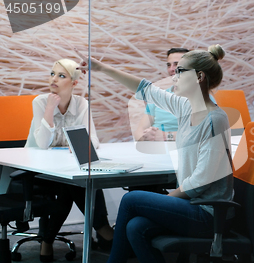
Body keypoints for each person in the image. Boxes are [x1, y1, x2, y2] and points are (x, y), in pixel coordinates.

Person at [77, 44, 233, 263]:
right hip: (192, 204)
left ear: (199, 77)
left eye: (180, 71)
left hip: (208, 213)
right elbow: (146, 89)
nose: (174, 76)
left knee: (131, 199)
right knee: (135, 227)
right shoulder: (186, 107)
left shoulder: (214, 119)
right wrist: (101, 68)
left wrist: (168, 198)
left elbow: (201, 181)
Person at [25, 59, 115, 262]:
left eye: (61, 76)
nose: (54, 79)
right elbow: (41, 144)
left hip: (66, 167)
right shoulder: (40, 102)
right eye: (52, 74)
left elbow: (93, 141)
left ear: (74, 83)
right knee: (71, 185)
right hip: (38, 169)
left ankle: (47, 240)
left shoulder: (82, 104)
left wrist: (77, 145)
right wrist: (50, 108)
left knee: (85, 179)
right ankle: (103, 229)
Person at [133, 48, 190, 142]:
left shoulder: (200, 97)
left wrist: (165, 136)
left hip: (182, 150)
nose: (171, 69)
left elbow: (203, 133)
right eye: (169, 65)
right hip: (155, 148)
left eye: (177, 64)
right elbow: (139, 131)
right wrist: (146, 137)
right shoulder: (159, 95)